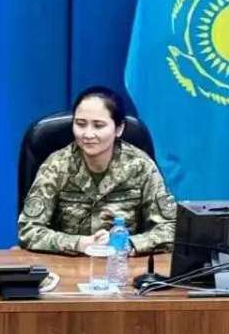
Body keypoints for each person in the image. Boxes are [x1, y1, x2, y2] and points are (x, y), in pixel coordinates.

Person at [18, 86, 176, 256]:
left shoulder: (140, 166)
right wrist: (78, 243)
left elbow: (171, 228)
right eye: (80, 124)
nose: (87, 134)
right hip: (68, 266)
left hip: (122, 266)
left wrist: (128, 243)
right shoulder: (57, 165)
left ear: (119, 128)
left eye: (98, 126)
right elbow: (28, 230)